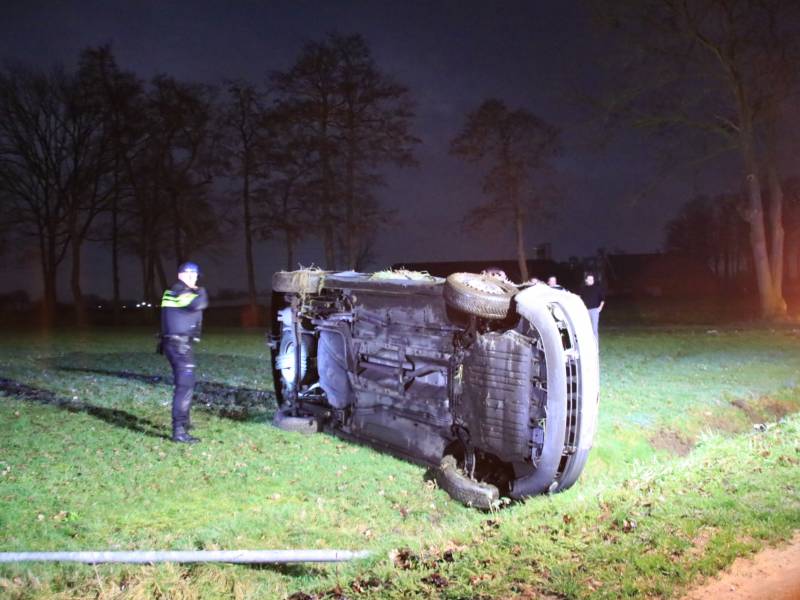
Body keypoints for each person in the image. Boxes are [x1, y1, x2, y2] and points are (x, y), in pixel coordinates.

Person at [160, 261, 208, 443]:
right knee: (185, 385)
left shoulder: (179, 291)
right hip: (177, 345)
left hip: (178, 345)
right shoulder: (178, 291)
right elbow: (200, 304)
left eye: (195, 275)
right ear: (180, 275)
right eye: (189, 274)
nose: (193, 278)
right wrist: (200, 290)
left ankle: (184, 423)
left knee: (186, 383)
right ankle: (179, 431)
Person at [579, 273, 604, 339]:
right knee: (586, 329)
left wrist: (600, 308)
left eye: (592, 279)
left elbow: (602, 299)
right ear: (586, 280)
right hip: (585, 311)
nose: (591, 280)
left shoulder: (597, 288)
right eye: (589, 279)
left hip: (594, 311)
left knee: (594, 329)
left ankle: (595, 347)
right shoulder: (583, 289)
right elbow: (580, 299)